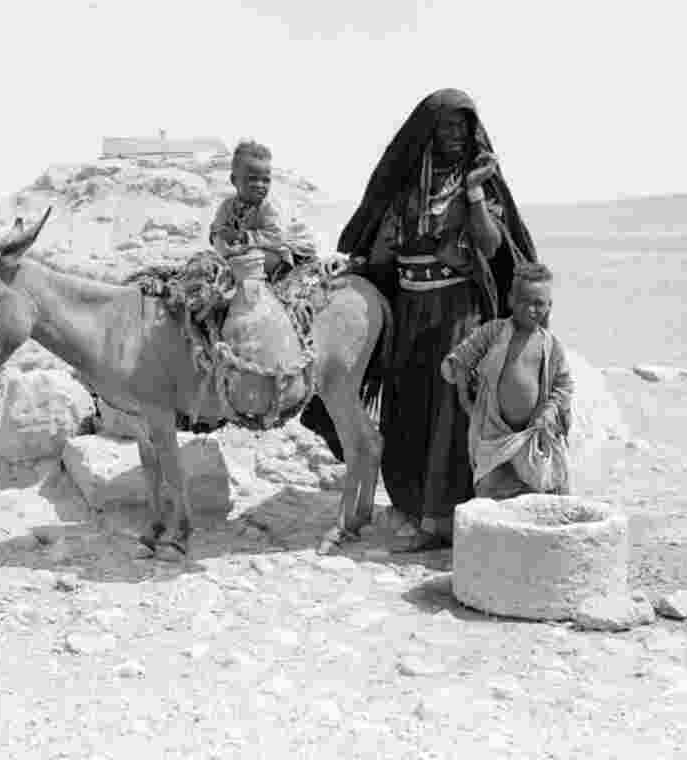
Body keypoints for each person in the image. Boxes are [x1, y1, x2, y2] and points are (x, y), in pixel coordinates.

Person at [299, 88, 539, 552]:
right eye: (445, 125)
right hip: (410, 308)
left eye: (462, 126)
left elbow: (490, 248)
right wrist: (355, 264)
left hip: (458, 311)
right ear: (426, 132)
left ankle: (440, 521)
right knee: (407, 408)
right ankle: (412, 506)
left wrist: (471, 195)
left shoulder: (480, 183)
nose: (454, 135)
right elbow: (385, 249)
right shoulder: (409, 187)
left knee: (449, 412)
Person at [441, 262, 573, 499]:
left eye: (539, 304)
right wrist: (463, 395)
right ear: (511, 299)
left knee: (543, 491)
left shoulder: (551, 346)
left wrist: (549, 411)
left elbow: (563, 386)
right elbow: (461, 357)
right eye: (525, 301)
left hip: (533, 434)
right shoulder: (493, 332)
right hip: (494, 434)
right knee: (490, 489)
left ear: (550, 306)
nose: (532, 309)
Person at [209, 140, 314, 280]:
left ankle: (279, 274)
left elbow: (277, 237)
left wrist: (243, 237)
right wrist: (220, 239)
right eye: (252, 179)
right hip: (258, 246)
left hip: (291, 251)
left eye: (265, 180)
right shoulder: (227, 206)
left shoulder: (269, 207)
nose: (260, 185)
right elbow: (216, 230)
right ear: (234, 180)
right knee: (218, 257)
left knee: (252, 259)